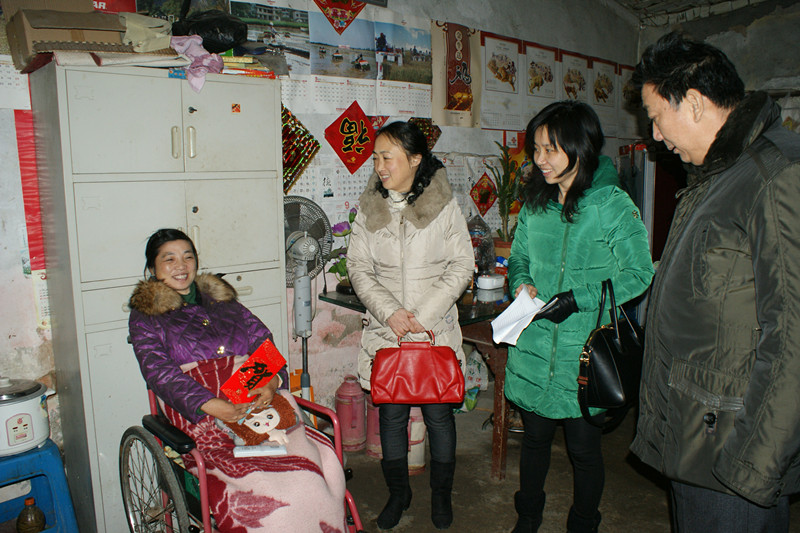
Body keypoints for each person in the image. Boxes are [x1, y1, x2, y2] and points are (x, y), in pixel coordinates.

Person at [630, 32, 800, 533]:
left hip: (734, 456)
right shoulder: (722, 174)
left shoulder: (775, 176)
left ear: (695, 103)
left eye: (656, 117)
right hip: (702, 438)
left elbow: (793, 335)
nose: (655, 135)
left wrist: (749, 467)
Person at [128, 228, 346, 532]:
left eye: (188, 257)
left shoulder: (222, 301)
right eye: (169, 259)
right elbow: (159, 372)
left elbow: (262, 341)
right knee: (266, 494)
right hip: (201, 413)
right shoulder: (146, 316)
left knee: (313, 472)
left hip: (254, 394)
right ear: (152, 268)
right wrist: (212, 405)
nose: (181, 266)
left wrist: (271, 381)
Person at [505, 101, 654, 533]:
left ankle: (583, 523)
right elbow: (519, 256)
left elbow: (639, 273)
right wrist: (521, 282)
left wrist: (579, 299)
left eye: (550, 149)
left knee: (584, 452)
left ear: (580, 147)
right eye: (536, 149)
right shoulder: (536, 201)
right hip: (535, 347)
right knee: (534, 441)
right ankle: (527, 518)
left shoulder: (611, 204)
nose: (540, 160)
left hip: (585, 353)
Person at [347, 121, 474, 530]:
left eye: (388, 157)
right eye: (376, 158)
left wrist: (421, 316)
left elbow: (462, 265)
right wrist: (390, 312)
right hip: (388, 333)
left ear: (415, 159)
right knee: (391, 418)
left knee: (439, 418)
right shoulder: (370, 207)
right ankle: (398, 494)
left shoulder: (443, 206)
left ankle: (441, 494)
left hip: (434, 331)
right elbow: (358, 267)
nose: (379, 166)